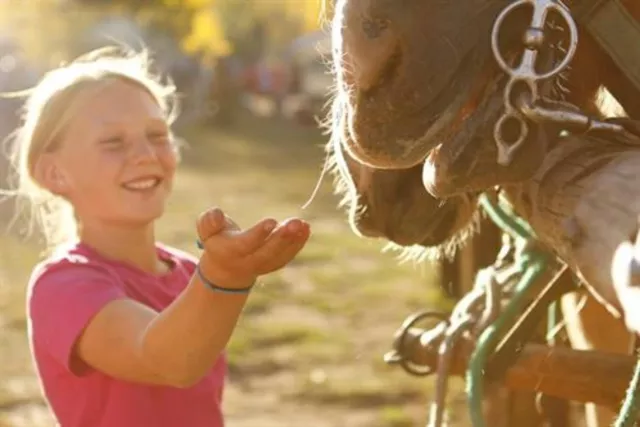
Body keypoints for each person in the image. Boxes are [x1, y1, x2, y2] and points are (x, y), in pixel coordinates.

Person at [7, 46, 311, 427]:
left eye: (157, 135)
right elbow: (166, 361)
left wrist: (216, 277)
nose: (146, 154)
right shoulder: (62, 285)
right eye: (113, 142)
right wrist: (225, 277)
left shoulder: (188, 273)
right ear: (54, 173)